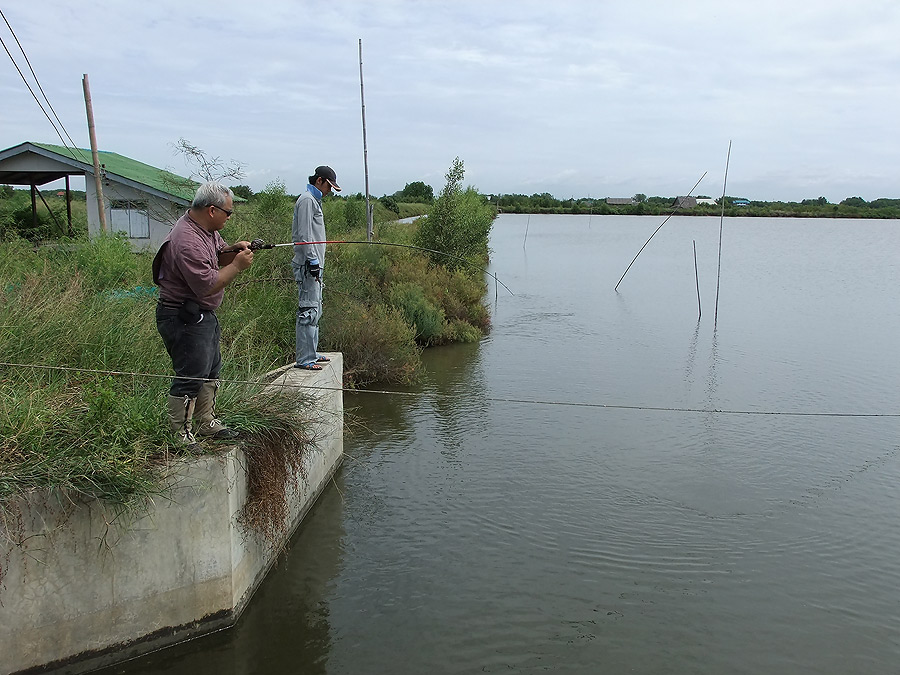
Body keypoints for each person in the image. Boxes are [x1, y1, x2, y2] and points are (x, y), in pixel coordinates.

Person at [152, 181, 254, 444]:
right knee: (190, 375)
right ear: (212, 210)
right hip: (182, 317)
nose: (229, 217)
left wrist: (233, 250)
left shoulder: (205, 230)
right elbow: (207, 284)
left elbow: (218, 255)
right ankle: (180, 434)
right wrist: (238, 266)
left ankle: (205, 422)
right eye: (228, 212)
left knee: (210, 370)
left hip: (202, 315)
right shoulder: (186, 240)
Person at [292, 165, 340, 370]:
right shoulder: (306, 201)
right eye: (328, 186)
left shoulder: (315, 201)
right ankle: (304, 359)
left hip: (316, 266)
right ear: (319, 180)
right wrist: (312, 261)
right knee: (308, 311)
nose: (329, 191)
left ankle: (312, 353)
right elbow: (304, 236)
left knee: (316, 309)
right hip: (307, 266)